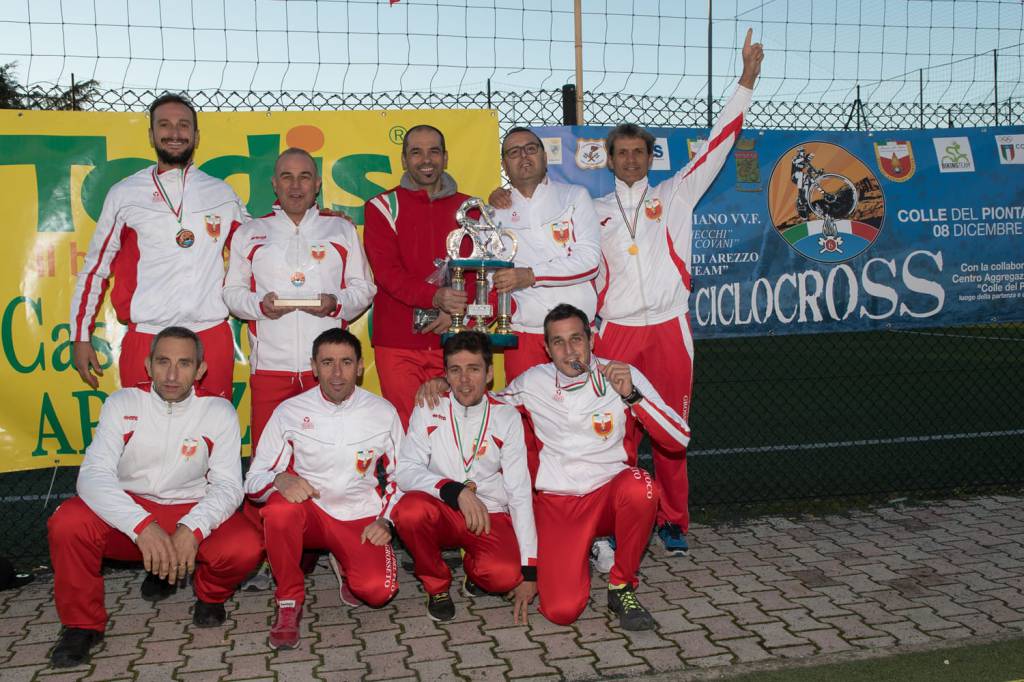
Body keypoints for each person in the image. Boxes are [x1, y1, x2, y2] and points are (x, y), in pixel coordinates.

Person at [591, 29, 764, 556]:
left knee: (670, 434)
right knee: (613, 434)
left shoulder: (676, 193)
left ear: (650, 155)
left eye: (638, 152)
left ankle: (674, 521)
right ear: (609, 159)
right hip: (615, 331)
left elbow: (719, 142)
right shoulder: (590, 210)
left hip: (668, 328)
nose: (630, 160)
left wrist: (746, 82)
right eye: (621, 153)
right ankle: (617, 521)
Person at [418, 304, 689, 629]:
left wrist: (632, 395)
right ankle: (571, 560)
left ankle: (622, 585)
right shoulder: (534, 382)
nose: (569, 349)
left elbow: (678, 440)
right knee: (561, 612)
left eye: (576, 339)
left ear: (591, 340)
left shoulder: (621, 375)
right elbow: (486, 400)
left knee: (641, 486)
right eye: (558, 342)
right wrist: (446, 384)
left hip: (609, 496)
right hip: (559, 507)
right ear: (547, 349)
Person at [46, 327, 262, 668]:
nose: (172, 374)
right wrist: (142, 525)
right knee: (67, 522)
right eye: (163, 362)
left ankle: (209, 596)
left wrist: (192, 528)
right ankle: (81, 625)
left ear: (200, 370)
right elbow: (93, 475)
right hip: (130, 512)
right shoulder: (122, 403)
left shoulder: (219, 411)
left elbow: (228, 486)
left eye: (184, 364)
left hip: (189, 508)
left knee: (246, 546)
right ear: (148, 365)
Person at [70, 93, 247, 399]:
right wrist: (80, 336)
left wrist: (317, 217)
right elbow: (95, 269)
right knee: (142, 441)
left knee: (210, 439)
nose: (175, 133)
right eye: (164, 125)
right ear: (151, 135)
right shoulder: (125, 193)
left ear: (196, 135)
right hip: (148, 337)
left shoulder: (222, 193)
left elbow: (262, 245)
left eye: (183, 125)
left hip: (209, 337)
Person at [244, 328, 403, 650]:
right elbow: (253, 479)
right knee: (277, 510)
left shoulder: (382, 412)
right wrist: (279, 479)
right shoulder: (289, 411)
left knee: (377, 592)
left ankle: (347, 567)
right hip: (310, 514)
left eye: (346, 362)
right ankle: (288, 603)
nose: (337, 372)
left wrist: (386, 521)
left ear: (360, 366)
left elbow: (405, 475)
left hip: (359, 517)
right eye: (327, 362)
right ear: (314, 367)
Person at [223, 147, 375, 449]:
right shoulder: (251, 232)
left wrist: (336, 303)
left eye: (304, 177)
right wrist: (259, 307)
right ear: (274, 184)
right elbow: (232, 293)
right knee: (269, 456)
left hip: (328, 369)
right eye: (287, 177)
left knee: (329, 453)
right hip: (269, 368)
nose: (295, 186)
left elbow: (365, 288)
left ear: (317, 184)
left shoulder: (341, 229)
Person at [392, 331, 537, 623]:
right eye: (456, 371)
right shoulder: (429, 407)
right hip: (443, 509)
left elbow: (520, 492)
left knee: (505, 576)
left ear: (489, 374)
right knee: (409, 512)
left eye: (474, 369)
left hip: (489, 513)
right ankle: (436, 586)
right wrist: (453, 490)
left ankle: (476, 575)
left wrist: (529, 570)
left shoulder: (506, 417)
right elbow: (405, 470)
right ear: (445, 375)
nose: (465, 380)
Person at [363, 124, 475, 428]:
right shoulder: (382, 207)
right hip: (399, 341)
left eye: (433, 151)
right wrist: (436, 297)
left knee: (457, 426)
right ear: (403, 160)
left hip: (455, 338)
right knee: (407, 429)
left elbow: (482, 274)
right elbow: (387, 273)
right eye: (416, 152)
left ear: (446, 157)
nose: (426, 160)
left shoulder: (471, 209)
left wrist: (458, 314)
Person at [486, 127, 602, 382]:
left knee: (586, 416)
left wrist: (531, 276)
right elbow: (489, 278)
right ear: (505, 165)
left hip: (576, 336)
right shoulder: (492, 213)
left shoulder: (574, 196)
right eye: (513, 152)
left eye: (530, 149)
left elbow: (590, 262)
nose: (523, 156)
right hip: (525, 336)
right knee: (526, 419)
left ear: (545, 157)